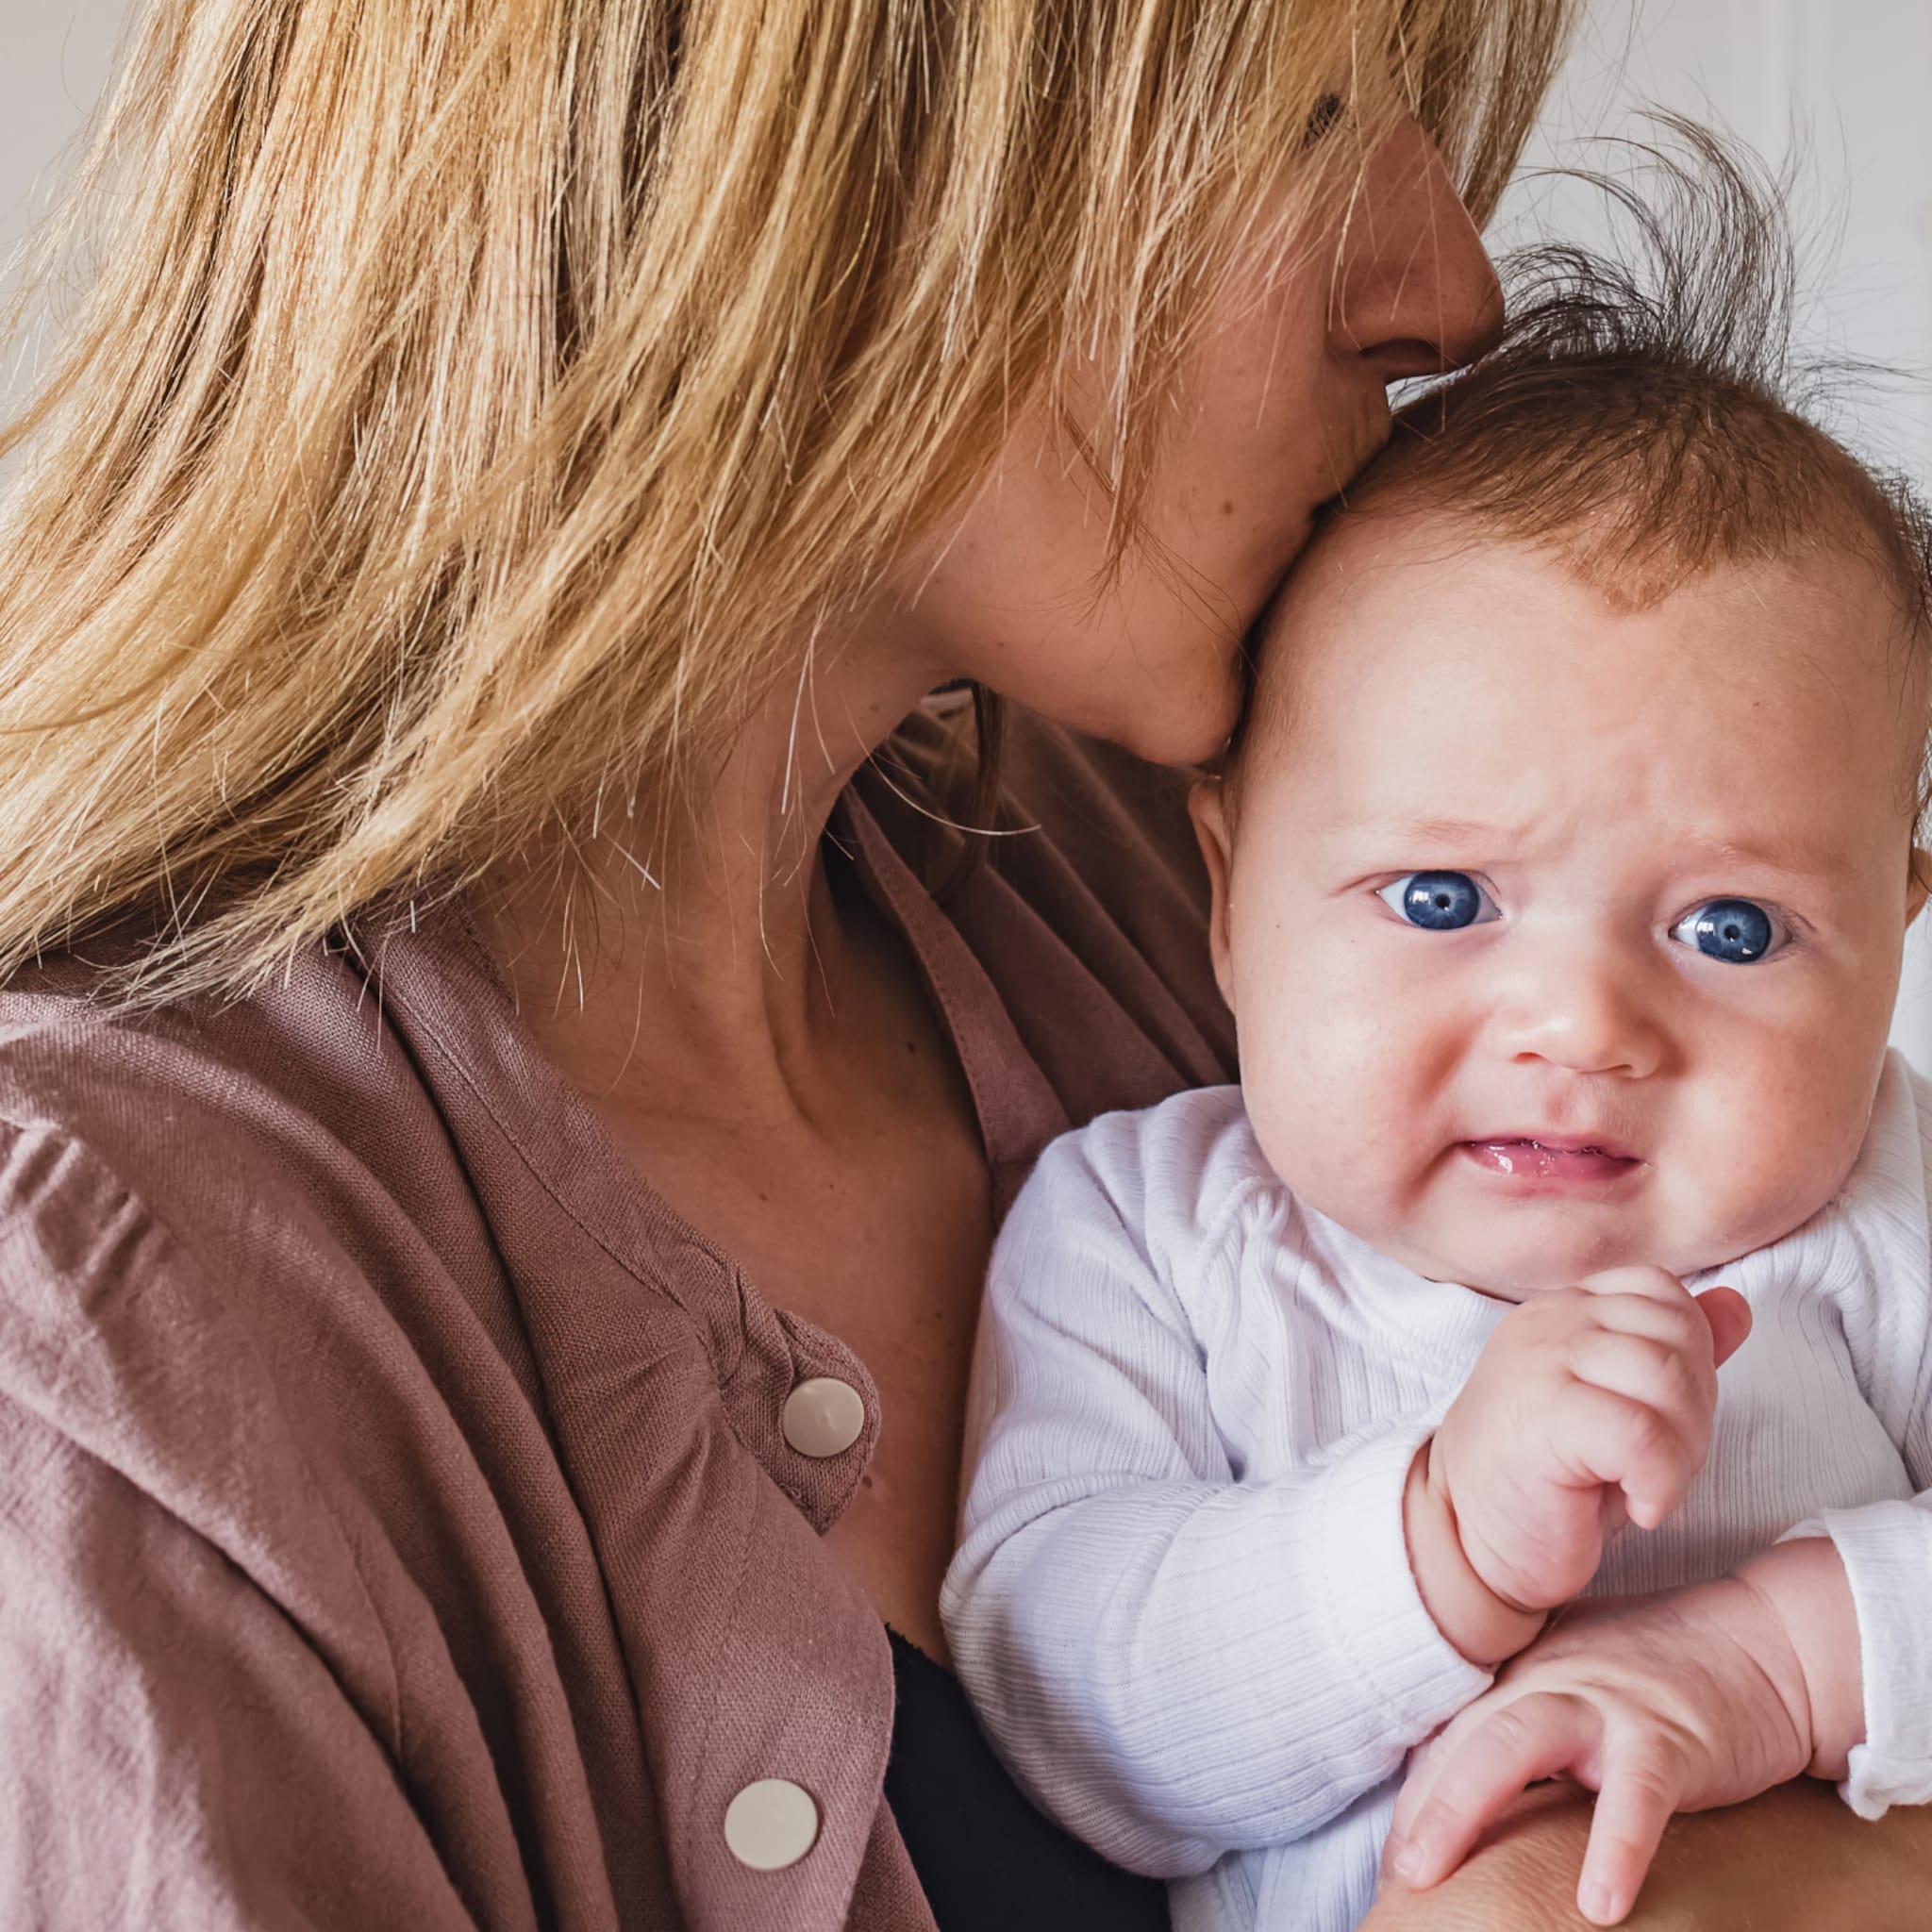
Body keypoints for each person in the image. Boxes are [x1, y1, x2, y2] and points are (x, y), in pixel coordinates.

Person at [0, 2, 1926, 1928]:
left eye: (1727, 929)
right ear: (814, 165)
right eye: (1320, 114)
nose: (1452, 291)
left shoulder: (1202, 854)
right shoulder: (100, 1327)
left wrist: (1756, 1746)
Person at [942, 150, 1932, 1932]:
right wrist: (1437, 1544)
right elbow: (1059, 1694)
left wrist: (1783, 1662)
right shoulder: (1147, 1238)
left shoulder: (1882, 1204)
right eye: (1439, 899)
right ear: (1228, 894)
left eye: (1731, 929)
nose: (1579, 1026)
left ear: (1892, 944)